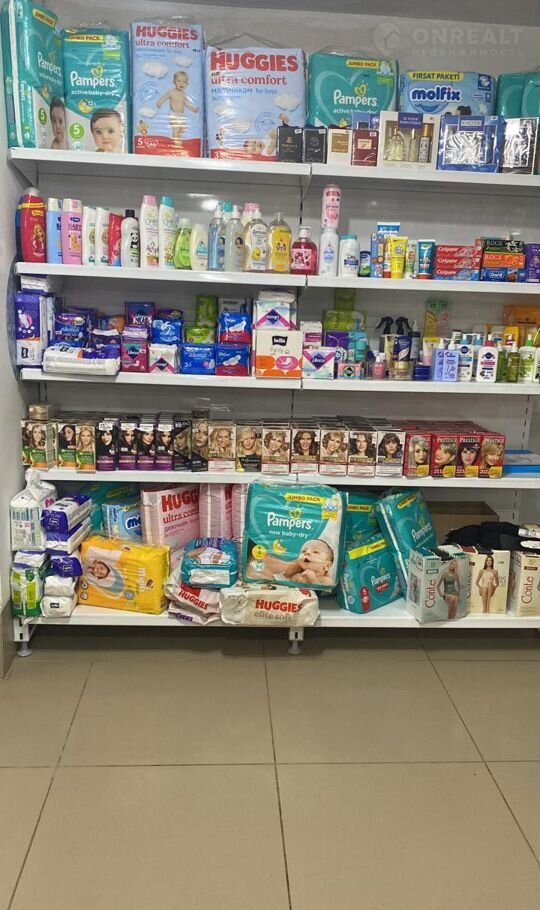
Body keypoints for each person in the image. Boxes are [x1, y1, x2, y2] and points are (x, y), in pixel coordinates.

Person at [251, 538, 334, 586]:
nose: (307, 553)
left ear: (327, 566)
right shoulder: (297, 575)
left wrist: (313, 580)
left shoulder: (325, 580)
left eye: (315, 552)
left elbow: (324, 590)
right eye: (303, 551)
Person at [156, 71, 199, 144]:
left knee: (183, 128)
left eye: (184, 82)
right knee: (176, 129)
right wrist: (159, 102)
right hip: (173, 114)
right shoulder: (171, 92)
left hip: (181, 115)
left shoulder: (183, 94)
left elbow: (186, 103)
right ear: (174, 82)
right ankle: (177, 144)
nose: (181, 83)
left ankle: (177, 138)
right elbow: (164, 97)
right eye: (179, 81)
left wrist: (193, 109)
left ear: (187, 84)